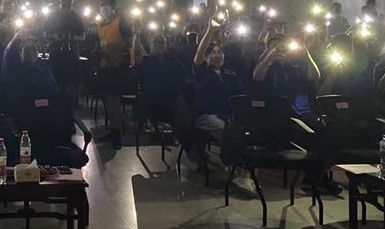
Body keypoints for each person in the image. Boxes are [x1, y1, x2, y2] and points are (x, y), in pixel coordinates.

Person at [190, 27, 248, 189]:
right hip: (206, 116)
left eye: (219, 52)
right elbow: (199, 53)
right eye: (213, 53)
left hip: (227, 115)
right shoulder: (202, 72)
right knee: (228, 133)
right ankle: (237, 169)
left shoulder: (230, 75)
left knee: (244, 131)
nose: (217, 55)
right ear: (207, 57)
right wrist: (211, 30)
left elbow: (240, 98)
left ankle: (241, 170)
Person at [96, 0, 134, 149]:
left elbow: (129, 42)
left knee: (114, 101)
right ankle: (113, 129)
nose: (104, 8)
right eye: (102, 5)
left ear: (113, 8)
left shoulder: (121, 22)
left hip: (119, 67)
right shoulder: (100, 25)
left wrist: (116, 51)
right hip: (106, 66)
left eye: (107, 5)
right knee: (107, 101)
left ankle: (117, 134)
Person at [252, 34, 320, 117]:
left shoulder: (296, 66)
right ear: (268, 50)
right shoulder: (265, 66)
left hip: (296, 111)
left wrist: (307, 56)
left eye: (283, 46)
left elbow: (315, 76)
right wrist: (270, 56)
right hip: (272, 111)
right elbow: (257, 77)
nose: (280, 49)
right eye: (274, 46)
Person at [136, 33, 188, 127]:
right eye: (154, 42)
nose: (157, 45)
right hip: (150, 98)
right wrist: (137, 34)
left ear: (165, 45)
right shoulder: (146, 60)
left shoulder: (173, 61)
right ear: (151, 44)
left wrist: (175, 90)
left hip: (169, 98)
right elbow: (136, 55)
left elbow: (182, 76)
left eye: (160, 42)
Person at [1, 30, 57, 115]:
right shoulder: (14, 71)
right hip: (23, 115)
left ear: (37, 53)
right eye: (26, 49)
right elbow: (7, 53)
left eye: (33, 49)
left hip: (43, 114)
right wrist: (17, 35)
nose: (30, 52)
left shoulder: (45, 72)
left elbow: (53, 92)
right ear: (20, 53)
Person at [44, 0, 86, 98]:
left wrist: (72, 38)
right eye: (64, 2)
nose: (66, 4)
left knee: (71, 82)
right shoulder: (53, 16)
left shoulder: (76, 17)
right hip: (56, 52)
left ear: (72, 2)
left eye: (68, 2)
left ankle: (70, 103)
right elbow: (45, 33)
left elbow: (82, 35)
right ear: (60, 1)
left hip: (71, 52)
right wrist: (55, 36)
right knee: (55, 80)